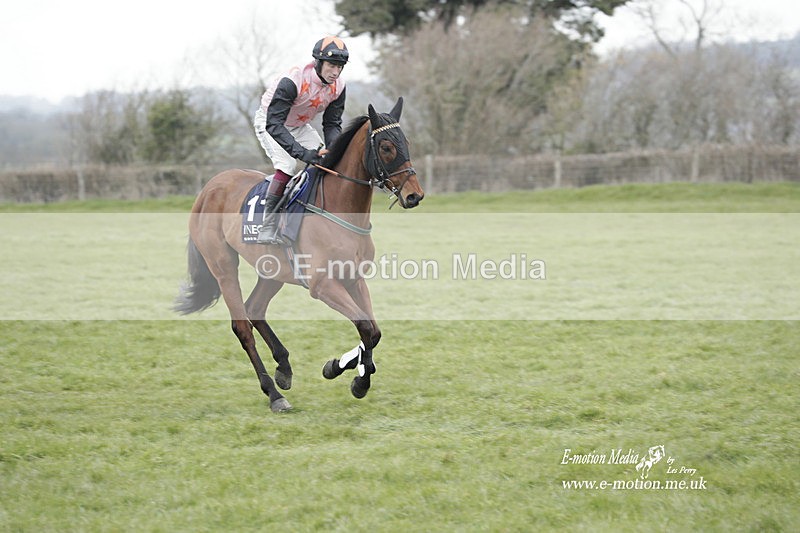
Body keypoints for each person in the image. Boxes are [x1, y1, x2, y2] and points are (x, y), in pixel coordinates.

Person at [253, 36, 348, 245]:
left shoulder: (339, 86)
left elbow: (332, 124)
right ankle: (268, 225)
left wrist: (333, 149)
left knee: (327, 162)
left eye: (340, 67)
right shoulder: (293, 80)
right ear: (318, 62)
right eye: (332, 65)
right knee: (287, 165)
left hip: (299, 126)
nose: (336, 72)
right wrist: (303, 154)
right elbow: (274, 124)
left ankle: (313, 215)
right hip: (270, 123)